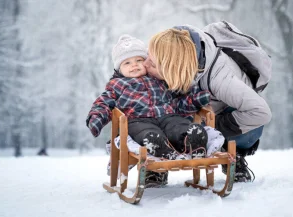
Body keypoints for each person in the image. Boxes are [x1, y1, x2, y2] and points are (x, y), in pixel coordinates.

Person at [143, 25, 272, 183]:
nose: (145, 64)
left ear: (174, 70)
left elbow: (261, 112)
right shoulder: (172, 49)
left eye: (153, 64)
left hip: (231, 112)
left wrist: (213, 128)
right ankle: (159, 164)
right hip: (198, 109)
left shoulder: (221, 80)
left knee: (249, 128)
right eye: (148, 56)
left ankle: (233, 153)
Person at [86, 34, 210, 187]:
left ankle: (192, 140)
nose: (134, 65)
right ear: (119, 68)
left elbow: (179, 102)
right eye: (127, 62)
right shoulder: (116, 84)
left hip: (167, 116)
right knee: (146, 132)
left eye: (139, 60)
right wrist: (96, 118)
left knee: (178, 125)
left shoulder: (159, 79)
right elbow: (103, 102)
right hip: (137, 120)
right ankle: (157, 145)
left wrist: (197, 99)